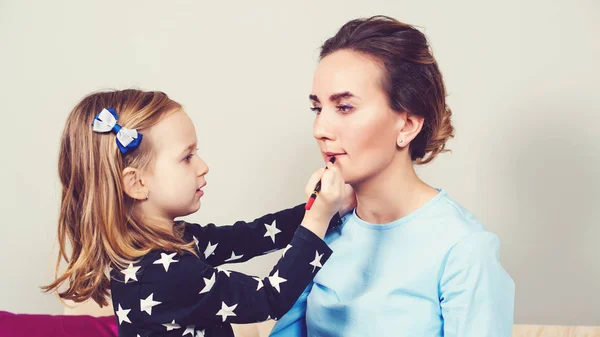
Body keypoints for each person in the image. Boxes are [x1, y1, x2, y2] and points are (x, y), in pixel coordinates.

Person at [270, 15, 515, 337]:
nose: (320, 130)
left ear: (408, 125)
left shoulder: (463, 248)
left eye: (344, 107)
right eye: (317, 109)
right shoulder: (323, 225)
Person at [42, 89, 355, 337]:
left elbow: (248, 237)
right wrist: (316, 219)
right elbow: (268, 298)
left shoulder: (170, 241)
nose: (203, 166)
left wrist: (326, 207)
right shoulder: (162, 275)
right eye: (187, 157)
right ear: (137, 183)